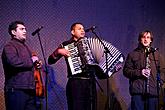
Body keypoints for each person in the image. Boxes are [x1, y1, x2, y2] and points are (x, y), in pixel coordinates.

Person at [48, 22, 97, 110]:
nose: (82, 30)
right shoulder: (66, 45)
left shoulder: (91, 44)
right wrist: (58, 52)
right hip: (76, 83)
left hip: (90, 83)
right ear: (72, 32)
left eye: (83, 28)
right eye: (79, 29)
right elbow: (50, 61)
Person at [1, 21, 39, 110]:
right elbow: (13, 62)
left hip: (29, 89)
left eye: (25, 29)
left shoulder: (26, 47)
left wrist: (36, 64)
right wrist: (32, 61)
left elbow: (28, 64)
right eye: (21, 29)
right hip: (16, 89)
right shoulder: (9, 46)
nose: (25, 31)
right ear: (13, 32)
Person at [123, 30, 165, 110]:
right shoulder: (132, 54)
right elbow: (126, 71)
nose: (145, 39)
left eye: (148, 37)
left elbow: (163, 71)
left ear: (151, 40)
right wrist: (140, 72)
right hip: (137, 93)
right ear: (139, 39)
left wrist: (160, 82)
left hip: (153, 92)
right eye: (143, 37)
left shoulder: (157, 55)